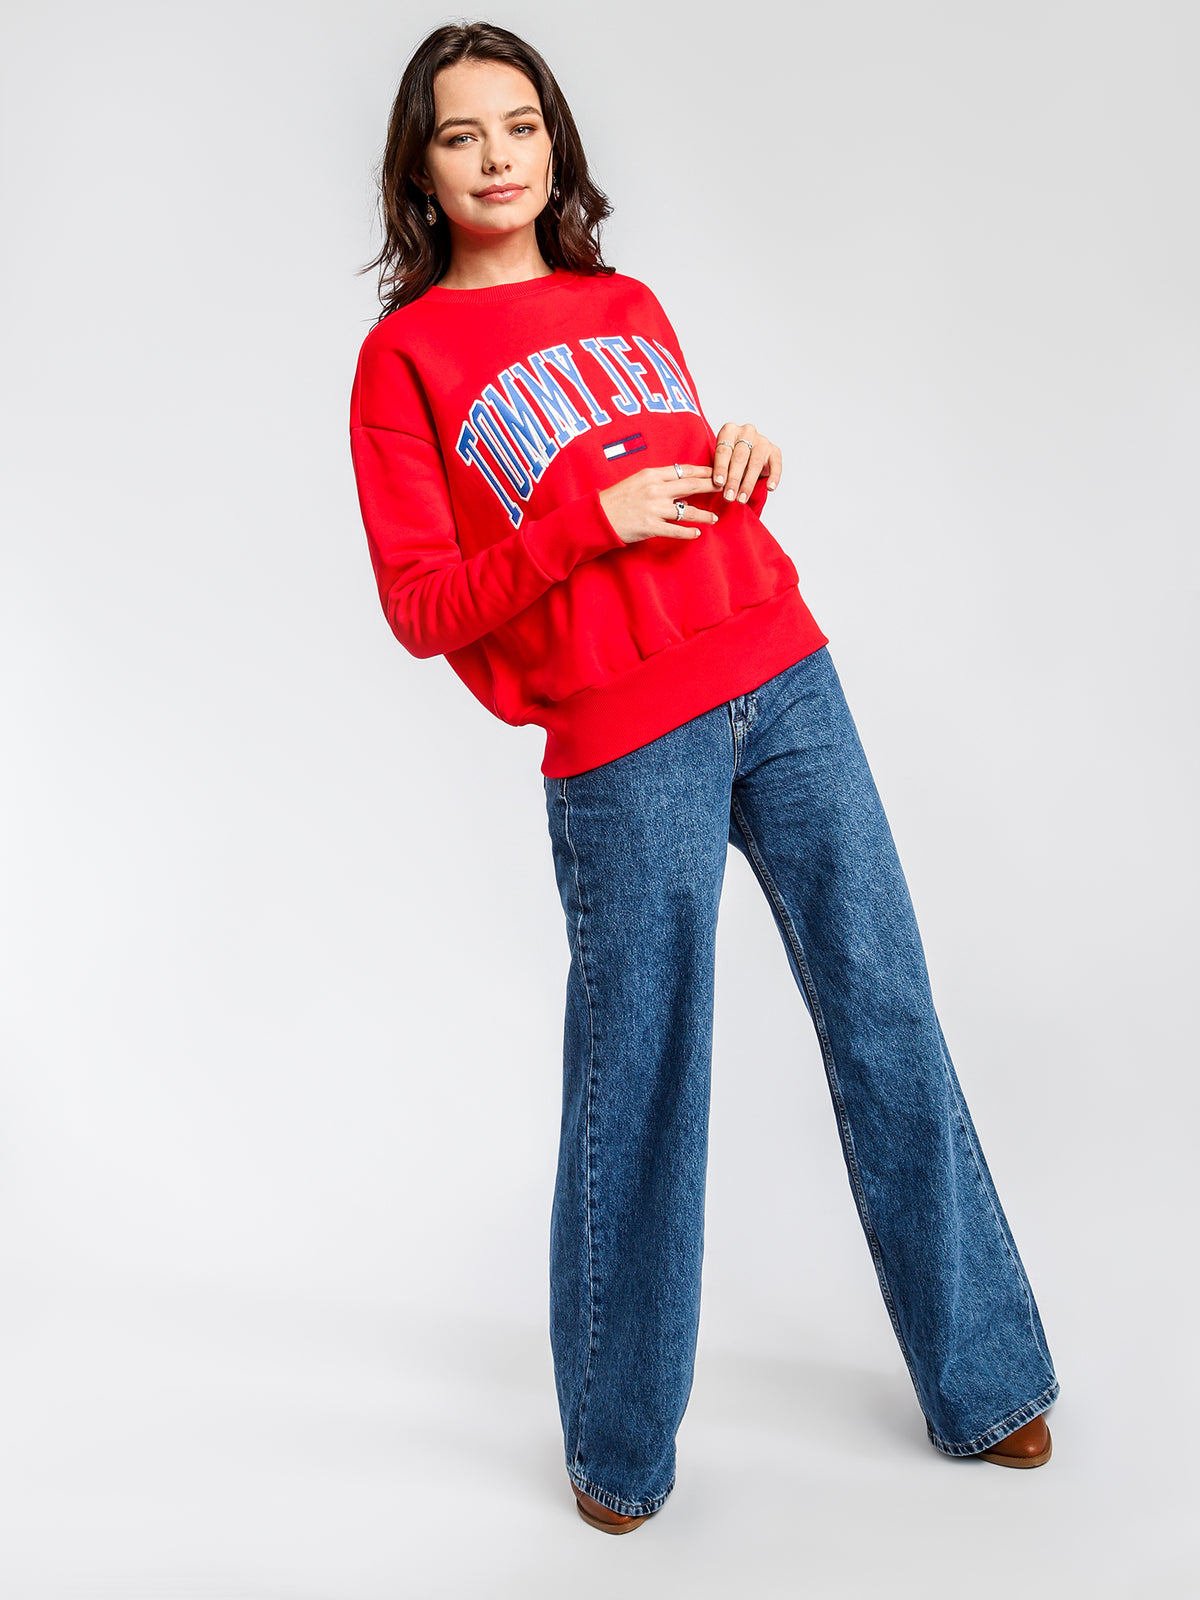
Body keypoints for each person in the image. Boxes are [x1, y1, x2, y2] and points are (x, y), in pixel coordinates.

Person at [349, 21, 1058, 1535]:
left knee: (886, 1006)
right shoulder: (403, 359)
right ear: (420, 167)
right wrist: (582, 525)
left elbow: (672, 485)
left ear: (556, 143)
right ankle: (619, 1452)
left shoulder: (625, 301)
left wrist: (737, 457)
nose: (499, 157)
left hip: (782, 671)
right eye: (463, 134)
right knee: (645, 1075)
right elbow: (421, 605)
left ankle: (988, 1377)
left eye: (521, 125)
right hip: (625, 738)